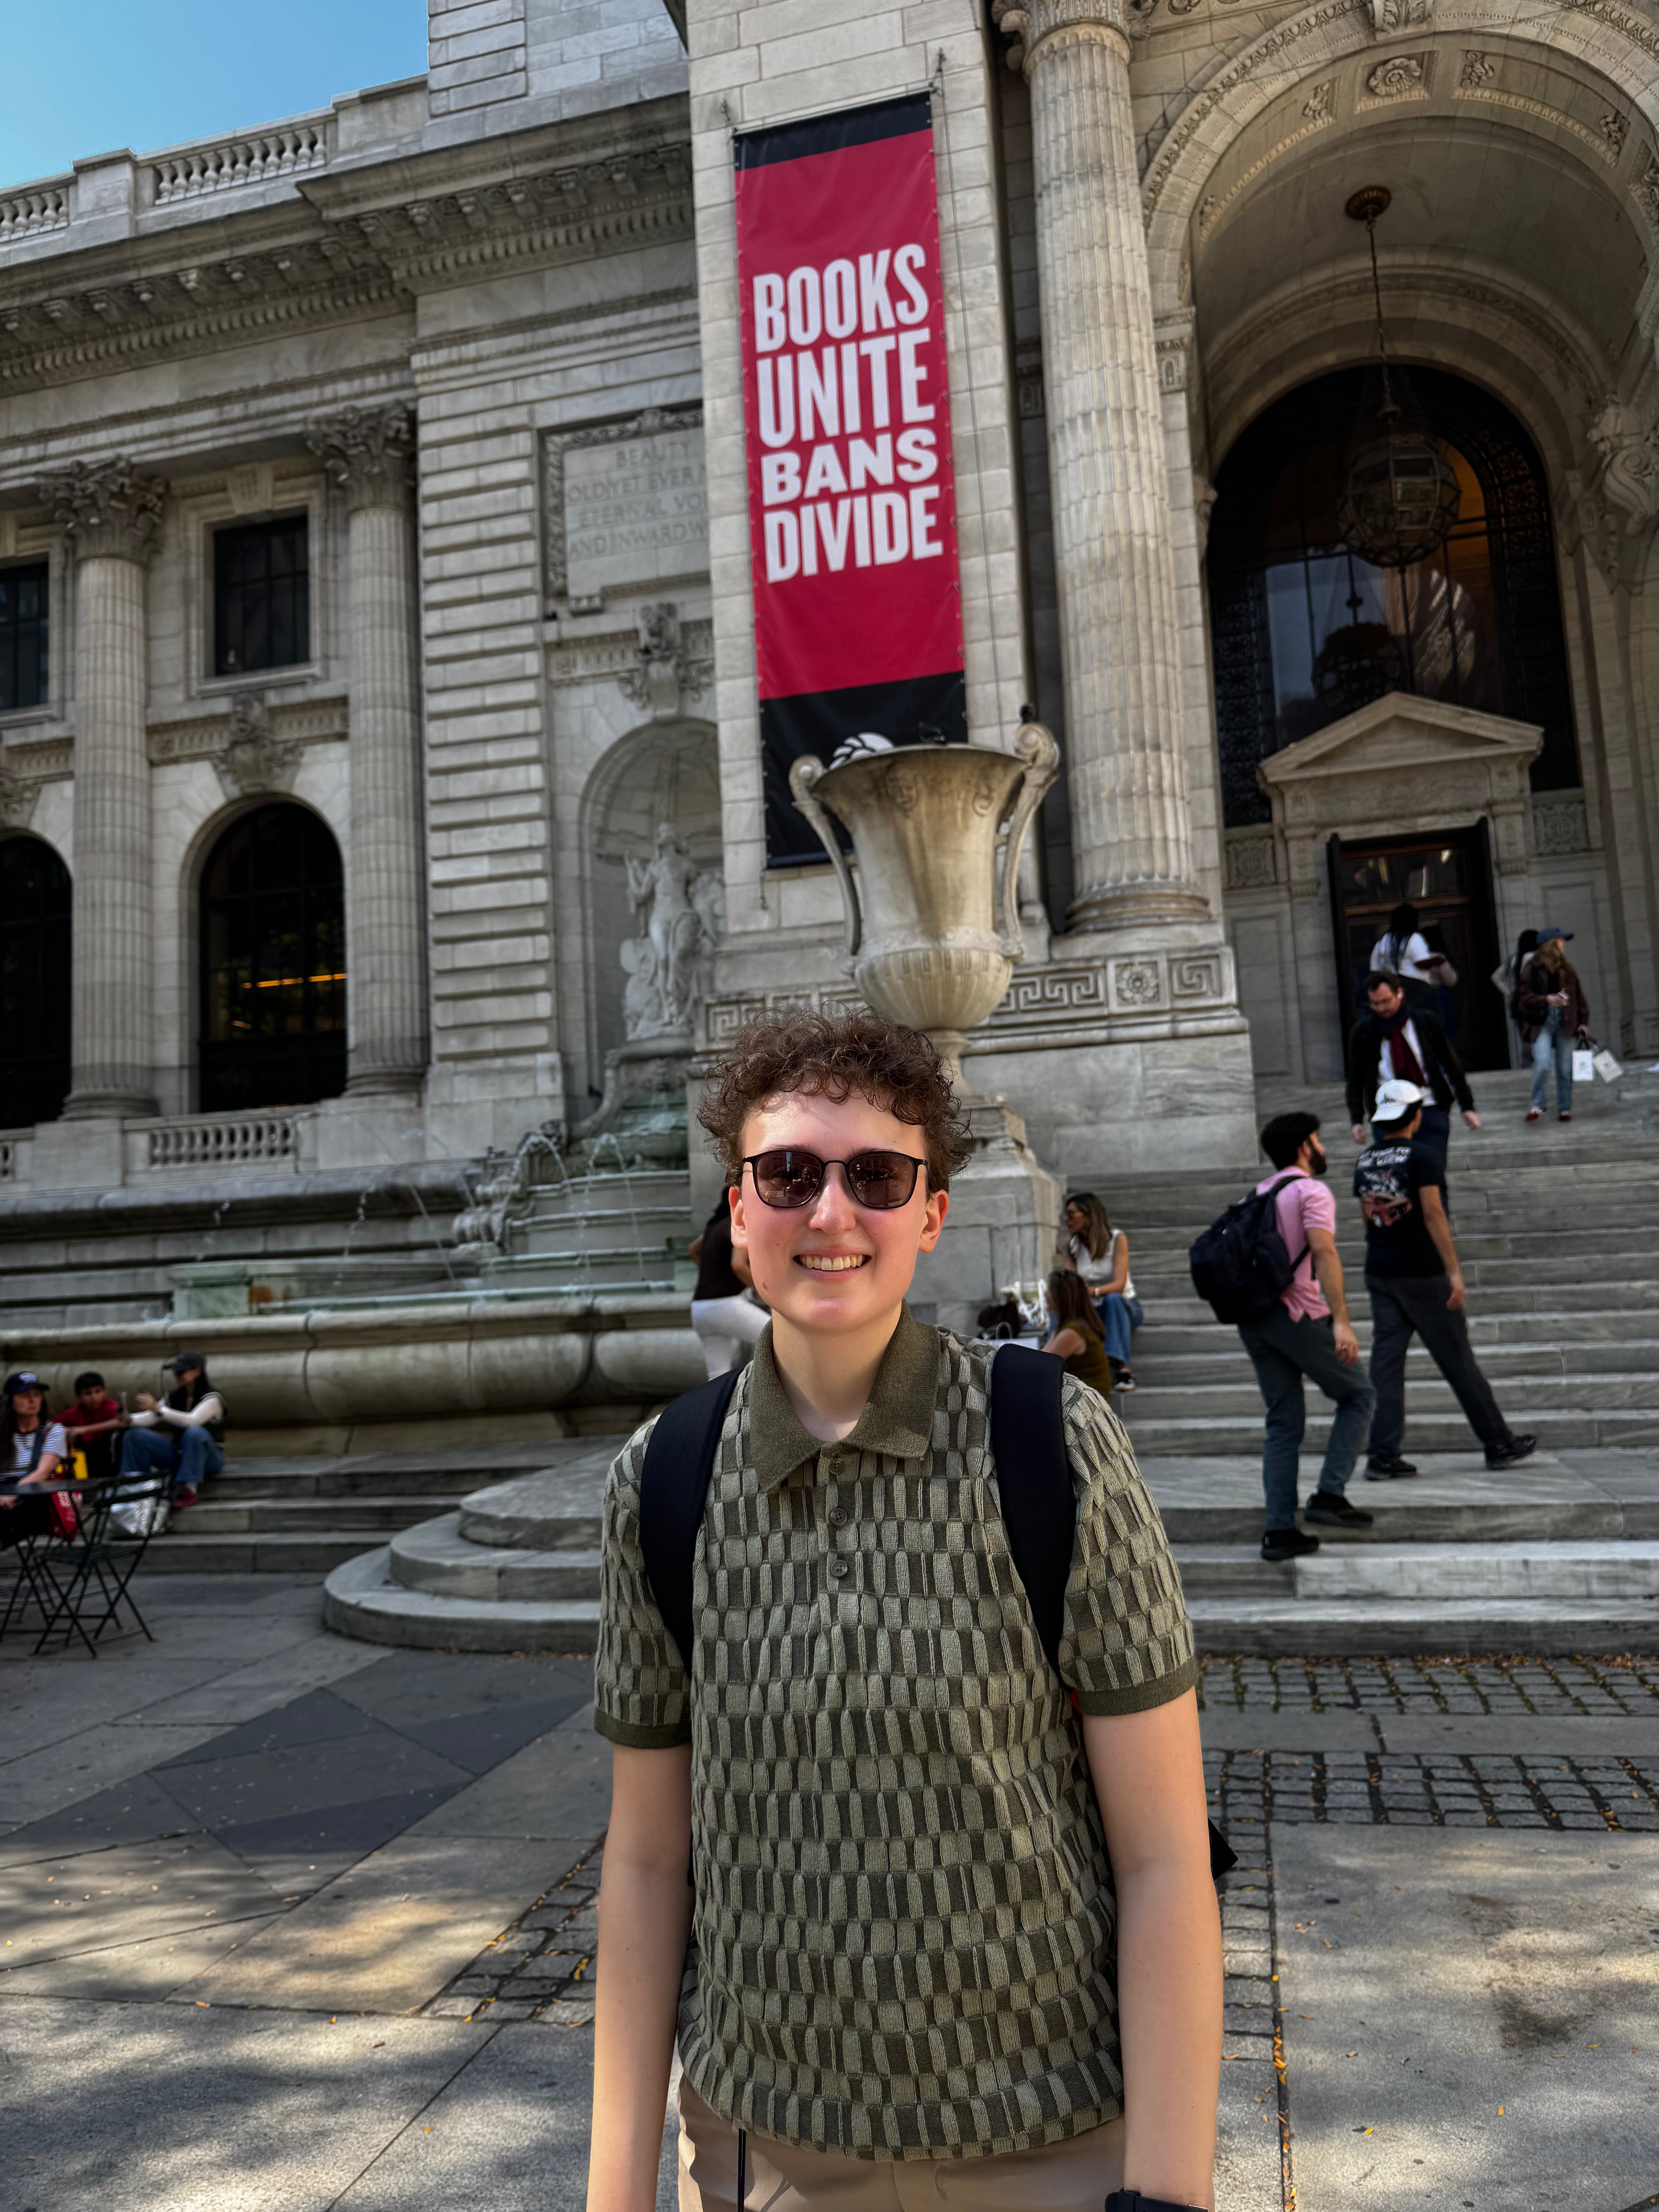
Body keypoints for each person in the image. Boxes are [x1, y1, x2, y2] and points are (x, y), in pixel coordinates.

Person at [589, 1010, 1219, 2212]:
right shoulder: (659, 1476)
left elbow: (1162, 1857)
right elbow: (645, 1859)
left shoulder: (1055, 1441)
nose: (829, 1211)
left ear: (931, 1214)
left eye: (876, 1175)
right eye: (787, 1172)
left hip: (1057, 2144)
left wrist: (1167, 2195)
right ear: (737, 1210)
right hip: (762, 2154)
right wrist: (613, 2192)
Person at [1354, 1079, 1538, 1478]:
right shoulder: (1423, 1156)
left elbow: (1370, 1212)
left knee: (1386, 1367)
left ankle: (1382, 1454)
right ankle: (1498, 1441)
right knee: (1457, 1358)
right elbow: (1434, 1214)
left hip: (1381, 1270)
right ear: (1416, 1115)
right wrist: (1454, 1271)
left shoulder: (1367, 1159)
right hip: (1422, 1272)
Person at [1238, 1113, 1376, 1564]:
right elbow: (1323, 1250)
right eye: (1317, 1140)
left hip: (1255, 1317)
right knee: (1359, 1394)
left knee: (1283, 1421)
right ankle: (1329, 1497)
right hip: (1297, 1312)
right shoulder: (1310, 1190)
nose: (1322, 1147)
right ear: (1303, 1147)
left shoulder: (1257, 1194)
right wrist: (1341, 1320)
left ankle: (1280, 1530)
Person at [1347, 969, 1480, 1168]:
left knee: (1432, 1174)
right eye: (1375, 1004)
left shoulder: (1424, 1022)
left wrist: (1467, 1106)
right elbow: (1356, 1078)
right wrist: (1357, 1119)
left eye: (1386, 1001)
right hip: (1388, 1112)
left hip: (1428, 1107)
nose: (1382, 1008)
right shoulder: (1365, 1032)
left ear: (1399, 994)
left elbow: (1451, 1065)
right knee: (1396, 1178)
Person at [118, 1352, 225, 1509]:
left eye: (181, 1372)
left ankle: (189, 1488)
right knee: (135, 1436)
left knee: (195, 1433)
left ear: (197, 1371)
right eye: (175, 1372)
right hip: (181, 1455)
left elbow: (192, 1421)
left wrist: (158, 1409)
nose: (177, 1376)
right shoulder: (174, 1397)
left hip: (209, 1459)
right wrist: (129, 1419)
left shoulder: (212, 1398)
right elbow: (152, 1417)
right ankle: (131, 1487)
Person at [1060, 1189, 1142, 1389]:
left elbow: (1120, 1284)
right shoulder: (1071, 1247)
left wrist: (1092, 1292)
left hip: (1124, 1308)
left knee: (1114, 1298)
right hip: (1092, 1311)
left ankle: (1122, 1369)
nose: (1066, 1220)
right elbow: (1072, 1286)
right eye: (1066, 1215)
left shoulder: (1117, 1239)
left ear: (1089, 1216)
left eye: (1072, 1215)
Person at [687, 1196, 769, 1379]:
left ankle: (713, 1408)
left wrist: (715, 1275)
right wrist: (764, 1288)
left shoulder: (713, 1226)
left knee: (717, 1375)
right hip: (725, 1305)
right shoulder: (738, 1226)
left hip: (700, 1309)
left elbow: (693, 1250)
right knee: (781, 1339)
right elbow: (738, 1266)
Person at [1517, 926, 1591, 1124]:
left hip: (1566, 1021)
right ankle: (1538, 1104)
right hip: (1542, 1021)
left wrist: (1583, 1022)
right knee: (1542, 1063)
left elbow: (1579, 998)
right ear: (1552, 944)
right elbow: (1523, 996)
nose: (1564, 944)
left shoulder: (1567, 969)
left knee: (1565, 1068)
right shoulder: (1532, 967)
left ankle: (1564, 1108)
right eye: (1561, 940)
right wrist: (1546, 999)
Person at [0, 1370, 67, 1549]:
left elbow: (43, 1473)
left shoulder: (53, 1431)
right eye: (24, 1395)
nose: (32, 1400)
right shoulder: (3, 1433)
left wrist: (12, 1494)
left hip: (32, 1496)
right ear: (10, 1401)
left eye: (36, 1395)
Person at [1040, 1267, 1115, 1400]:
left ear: (1062, 1297)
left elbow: (1039, 1365)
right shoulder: (1069, 1325)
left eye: (1050, 1291)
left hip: (1089, 1404)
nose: (1046, 1295)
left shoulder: (1072, 1333)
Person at [1367, 900, 1455, 1012]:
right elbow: (1421, 963)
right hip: (1417, 987)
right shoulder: (1414, 938)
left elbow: (1375, 968)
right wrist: (1437, 961)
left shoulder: (1384, 941)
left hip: (1391, 987)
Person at [58, 1370, 127, 1484]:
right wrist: (67, 1431)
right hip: (87, 1456)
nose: (94, 1397)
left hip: (109, 1455)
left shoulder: (110, 1406)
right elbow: (51, 1425)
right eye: (88, 1393)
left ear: (104, 1392)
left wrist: (85, 1429)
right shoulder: (75, 1412)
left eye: (98, 1392)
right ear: (79, 1396)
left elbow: (122, 1421)